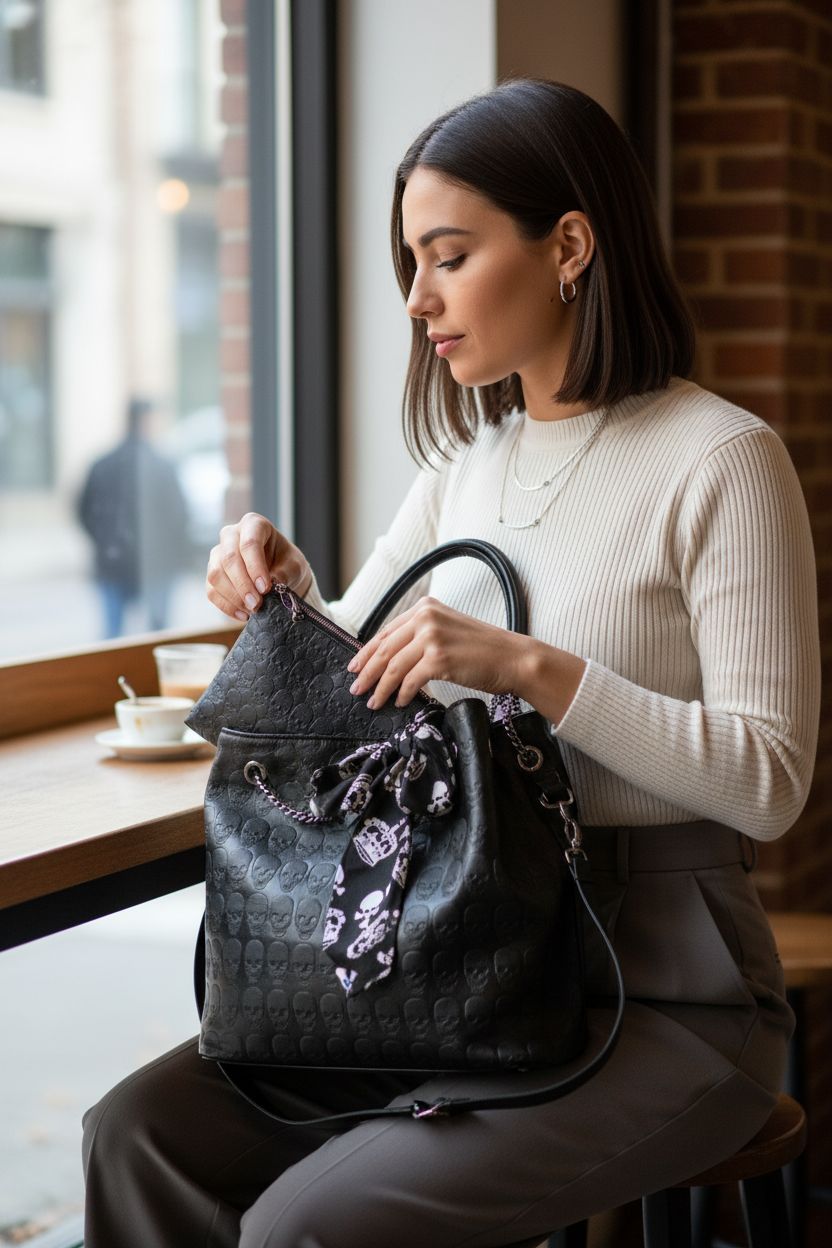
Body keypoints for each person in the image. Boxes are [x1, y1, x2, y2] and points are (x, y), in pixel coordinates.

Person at [82, 79, 819, 1247]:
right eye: (410, 262)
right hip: (459, 958)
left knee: (307, 1226)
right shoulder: (465, 468)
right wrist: (290, 593)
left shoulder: (721, 459)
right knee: (136, 1132)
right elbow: (362, 680)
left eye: (449, 256)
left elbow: (768, 782)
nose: (417, 297)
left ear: (568, 246)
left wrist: (529, 667)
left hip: (666, 990)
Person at [78, 396, 191, 638]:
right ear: (145, 421)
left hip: (113, 561)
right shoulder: (162, 466)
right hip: (151, 562)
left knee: (113, 638)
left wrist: (104, 542)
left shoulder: (102, 464)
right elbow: (180, 515)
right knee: (158, 637)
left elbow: (83, 511)